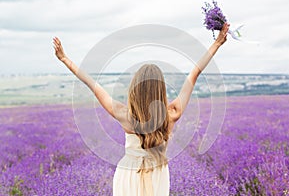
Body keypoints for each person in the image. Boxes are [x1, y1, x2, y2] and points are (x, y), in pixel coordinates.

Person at [53, 23, 229, 196]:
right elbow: (195, 72)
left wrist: (65, 59)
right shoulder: (172, 113)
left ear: (135, 90)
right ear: (161, 91)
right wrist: (217, 43)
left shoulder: (125, 116)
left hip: (129, 173)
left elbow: (93, 84)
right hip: (158, 174)